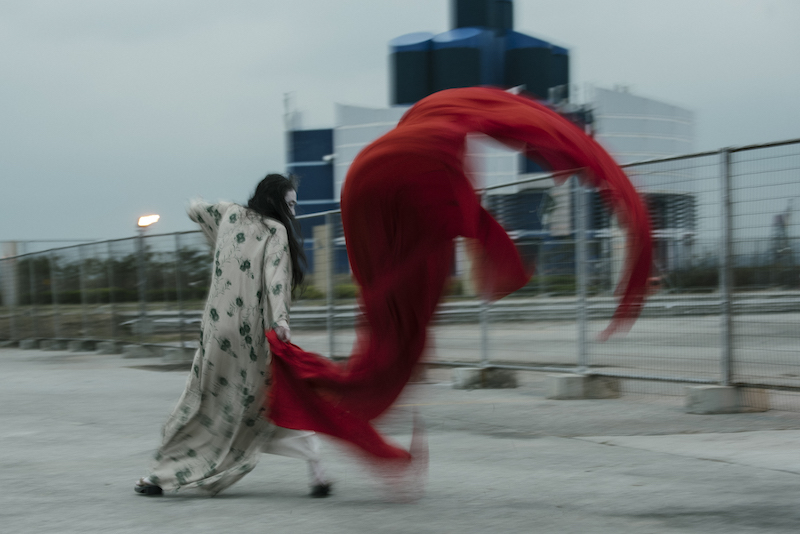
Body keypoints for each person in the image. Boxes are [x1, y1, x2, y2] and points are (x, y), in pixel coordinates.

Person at [135, 173, 331, 497]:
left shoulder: (229, 214)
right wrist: (281, 320)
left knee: (204, 404)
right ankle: (315, 464)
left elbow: (198, 209)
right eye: (291, 204)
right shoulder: (275, 230)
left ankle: (161, 474)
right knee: (258, 409)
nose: (293, 212)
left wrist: (195, 204)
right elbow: (276, 278)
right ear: (276, 201)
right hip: (252, 338)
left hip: (215, 333)